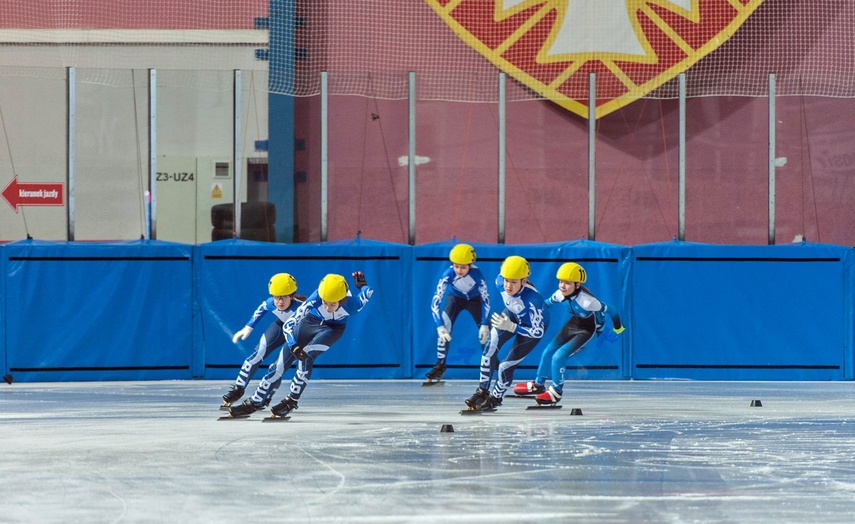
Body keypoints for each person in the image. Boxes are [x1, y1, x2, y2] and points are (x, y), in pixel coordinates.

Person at [228, 271, 374, 418]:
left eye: (333, 304)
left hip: (333, 329)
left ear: (342, 300)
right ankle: (256, 401)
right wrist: (293, 345)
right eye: (324, 302)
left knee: (307, 355)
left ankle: (292, 400)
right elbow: (289, 324)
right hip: (310, 322)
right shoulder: (315, 298)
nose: (328, 308)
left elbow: (368, 293)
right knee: (278, 364)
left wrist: (362, 286)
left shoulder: (353, 305)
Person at [512, 262, 625, 406]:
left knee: (559, 356)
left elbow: (613, 309)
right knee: (548, 352)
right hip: (575, 322)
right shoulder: (560, 294)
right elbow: (545, 305)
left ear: (577, 285)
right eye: (560, 282)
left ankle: (556, 391)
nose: (562, 286)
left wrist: (618, 327)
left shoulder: (588, 301)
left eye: (567, 283)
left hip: (590, 330)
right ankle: (539, 384)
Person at [464, 255, 547, 411]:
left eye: (514, 282)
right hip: (511, 316)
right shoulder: (498, 282)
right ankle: (482, 391)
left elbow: (537, 331)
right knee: (489, 348)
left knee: (504, 367)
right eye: (506, 280)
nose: (508, 286)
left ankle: (496, 398)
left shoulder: (533, 301)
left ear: (524, 281)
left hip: (530, 328)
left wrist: (512, 327)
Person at [221, 273, 304, 407]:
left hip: (298, 335)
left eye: (284, 298)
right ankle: (238, 389)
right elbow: (260, 310)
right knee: (256, 354)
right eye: (276, 297)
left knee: (277, 367)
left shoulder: (303, 307)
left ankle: (266, 395)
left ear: (293, 296)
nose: (280, 302)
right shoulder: (271, 303)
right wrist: (247, 327)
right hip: (281, 326)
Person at [425, 243, 491, 383]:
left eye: (463, 267)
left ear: (470, 265)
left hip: (475, 301)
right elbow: (435, 301)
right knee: (444, 328)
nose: (459, 270)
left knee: (485, 334)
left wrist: (484, 324)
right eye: (456, 266)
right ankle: (440, 364)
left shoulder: (477, 275)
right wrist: (439, 326)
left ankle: (490, 363)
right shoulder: (448, 274)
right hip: (455, 299)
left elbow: (485, 299)